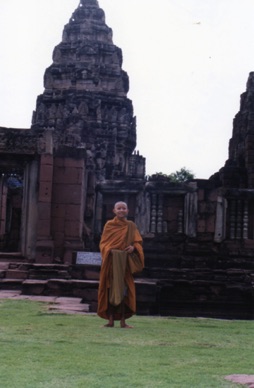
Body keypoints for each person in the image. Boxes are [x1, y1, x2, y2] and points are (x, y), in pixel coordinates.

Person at [97, 201, 144, 328]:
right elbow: (103, 243)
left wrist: (133, 247)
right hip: (111, 262)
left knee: (124, 291)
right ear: (114, 211)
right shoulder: (109, 225)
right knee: (110, 289)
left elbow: (137, 242)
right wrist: (109, 250)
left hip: (125, 263)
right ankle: (110, 320)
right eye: (119, 208)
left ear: (127, 211)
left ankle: (123, 321)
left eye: (124, 208)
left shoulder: (131, 226)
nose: (121, 210)